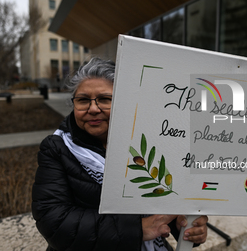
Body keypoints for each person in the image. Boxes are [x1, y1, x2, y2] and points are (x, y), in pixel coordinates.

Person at [32, 57, 208, 251]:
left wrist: (184, 227)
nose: (93, 109)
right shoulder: (57, 148)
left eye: (105, 99)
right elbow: (54, 223)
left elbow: (167, 202)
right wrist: (138, 228)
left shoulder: (153, 143)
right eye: (83, 100)